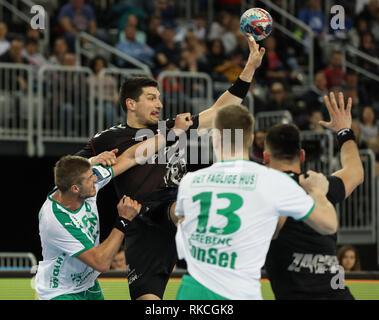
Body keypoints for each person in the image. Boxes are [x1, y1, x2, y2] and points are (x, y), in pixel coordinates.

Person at [75, 34, 266, 300]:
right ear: (131, 103)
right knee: (147, 300)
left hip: (175, 203)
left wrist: (250, 68)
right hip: (142, 218)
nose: (160, 104)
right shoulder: (108, 138)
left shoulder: (170, 127)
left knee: (185, 207)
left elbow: (219, 110)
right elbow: (68, 170)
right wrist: (94, 161)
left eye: (159, 98)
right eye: (152, 98)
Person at [174, 103, 338, 300]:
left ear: (215, 138)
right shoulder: (273, 181)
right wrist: (318, 192)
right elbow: (329, 225)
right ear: (251, 140)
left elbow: (181, 219)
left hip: (192, 292)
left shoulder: (190, 181)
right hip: (238, 292)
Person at [35, 115, 192, 300]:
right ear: (75, 188)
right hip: (60, 291)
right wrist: (123, 220)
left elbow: (131, 157)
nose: (96, 179)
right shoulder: (56, 220)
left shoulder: (80, 186)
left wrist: (173, 133)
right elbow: (100, 262)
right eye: (90, 178)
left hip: (88, 285)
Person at [264, 92, 364, 300]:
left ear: (266, 158)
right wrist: (344, 130)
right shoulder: (318, 183)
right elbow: (355, 172)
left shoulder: (263, 191)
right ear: (301, 156)